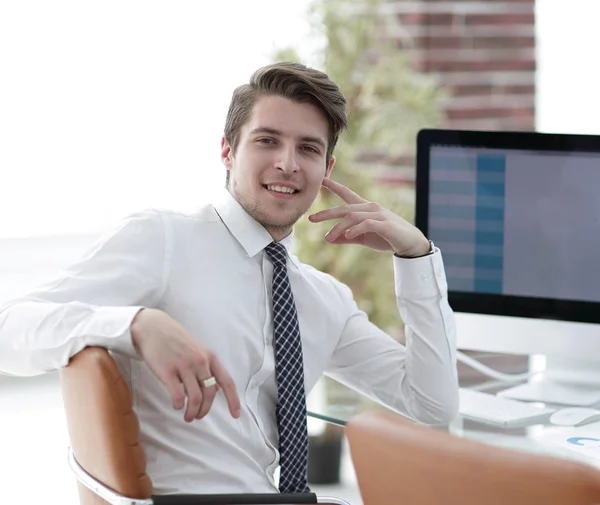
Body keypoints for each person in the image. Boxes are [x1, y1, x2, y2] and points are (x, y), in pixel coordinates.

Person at [0, 62, 458, 495]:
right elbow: (10, 330)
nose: (288, 163)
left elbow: (431, 406)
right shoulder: (164, 240)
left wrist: (416, 255)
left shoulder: (324, 299)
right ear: (227, 150)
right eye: (267, 140)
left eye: (309, 149)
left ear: (326, 171)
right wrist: (135, 324)